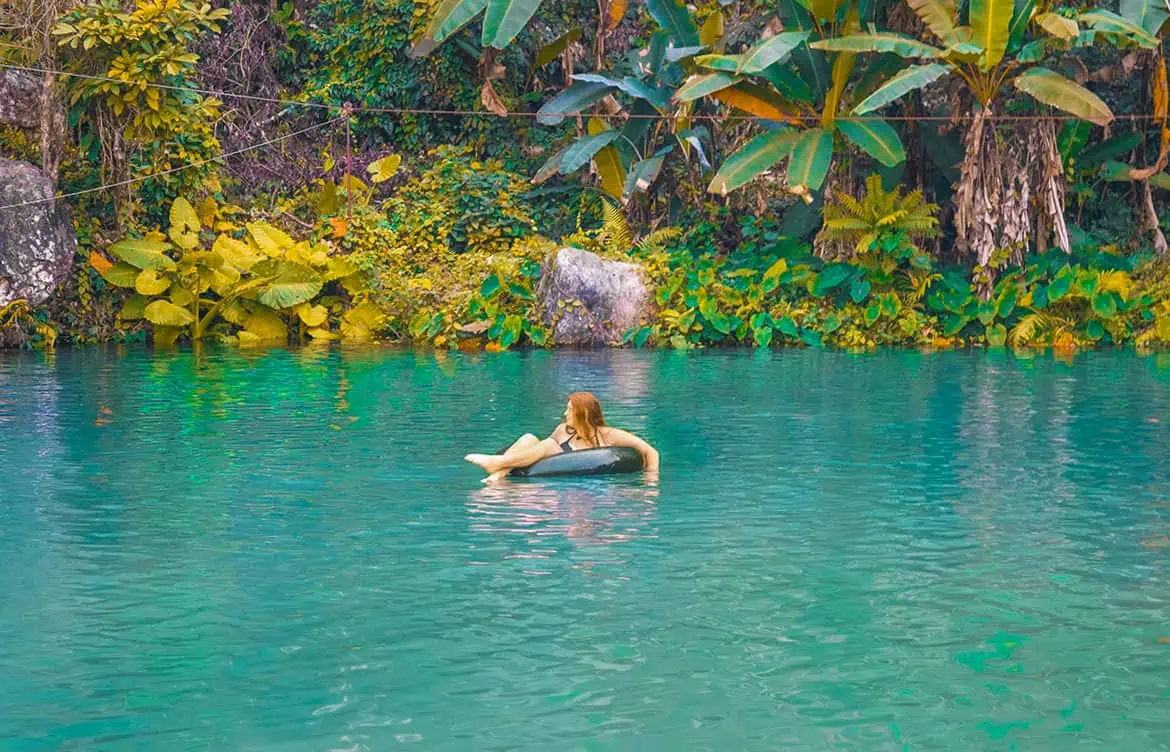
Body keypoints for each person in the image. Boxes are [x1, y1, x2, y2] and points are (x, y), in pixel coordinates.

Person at [464, 391, 660, 482]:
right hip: (547, 483)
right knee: (530, 438)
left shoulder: (609, 435)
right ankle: (499, 470)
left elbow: (650, 451)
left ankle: (497, 468)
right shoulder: (562, 431)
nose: (565, 414)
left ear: (582, 415)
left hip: (575, 494)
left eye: (569, 411)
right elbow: (537, 453)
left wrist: (651, 481)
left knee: (549, 445)